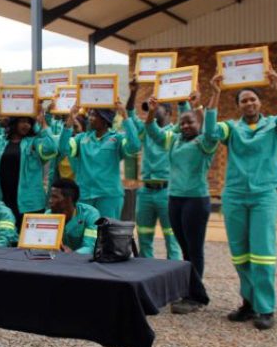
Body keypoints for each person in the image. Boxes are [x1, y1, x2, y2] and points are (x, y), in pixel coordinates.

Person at [205, 68, 277, 330]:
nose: (249, 103)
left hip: (263, 195)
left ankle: (265, 309)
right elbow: (209, 134)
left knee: (262, 254)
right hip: (235, 196)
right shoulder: (231, 128)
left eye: (253, 99)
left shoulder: (274, 125)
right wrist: (215, 94)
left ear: (260, 102)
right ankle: (248, 303)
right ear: (238, 106)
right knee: (240, 255)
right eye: (244, 100)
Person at [145, 91, 218, 313]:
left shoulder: (205, 143)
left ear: (199, 123)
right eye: (183, 122)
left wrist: (202, 105)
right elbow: (153, 132)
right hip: (175, 199)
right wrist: (150, 111)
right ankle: (189, 290)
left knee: (194, 250)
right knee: (184, 248)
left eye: (191, 122)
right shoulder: (174, 140)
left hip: (196, 200)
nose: (186, 126)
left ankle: (195, 297)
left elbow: (211, 129)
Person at [128, 79, 183, 260]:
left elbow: (186, 116)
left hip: (166, 192)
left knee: (172, 239)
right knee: (144, 238)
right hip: (145, 192)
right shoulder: (145, 132)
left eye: (155, 107)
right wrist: (133, 92)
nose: (150, 112)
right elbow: (130, 114)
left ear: (167, 112)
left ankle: (174, 277)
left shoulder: (175, 132)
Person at [58, 102, 141, 219]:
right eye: (90, 114)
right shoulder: (81, 139)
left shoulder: (117, 139)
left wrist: (125, 117)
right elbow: (63, 148)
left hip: (109, 196)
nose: (90, 118)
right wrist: (70, 118)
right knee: (86, 234)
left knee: (107, 233)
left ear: (105, 119)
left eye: (94, 115)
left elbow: (135, 146)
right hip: (85, 195)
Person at [0, 104, 57, 223]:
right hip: (3, 202)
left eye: (29, 122)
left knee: (27, 241)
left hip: (30, 205)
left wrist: (44, 124)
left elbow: (51, 147)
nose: (27, 125)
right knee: (5, 237)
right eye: (23, 121)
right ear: (14, 123)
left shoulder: (34, 142)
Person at [44, 178, 100, 254]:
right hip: (57, 260)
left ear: (68, 200)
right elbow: (44, 244)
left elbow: (89, 247)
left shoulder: (90, 214)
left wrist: (72, 255)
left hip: (83, 263)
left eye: (55, 197)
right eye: (50, 196)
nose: (50, 201)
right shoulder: (48, 215)